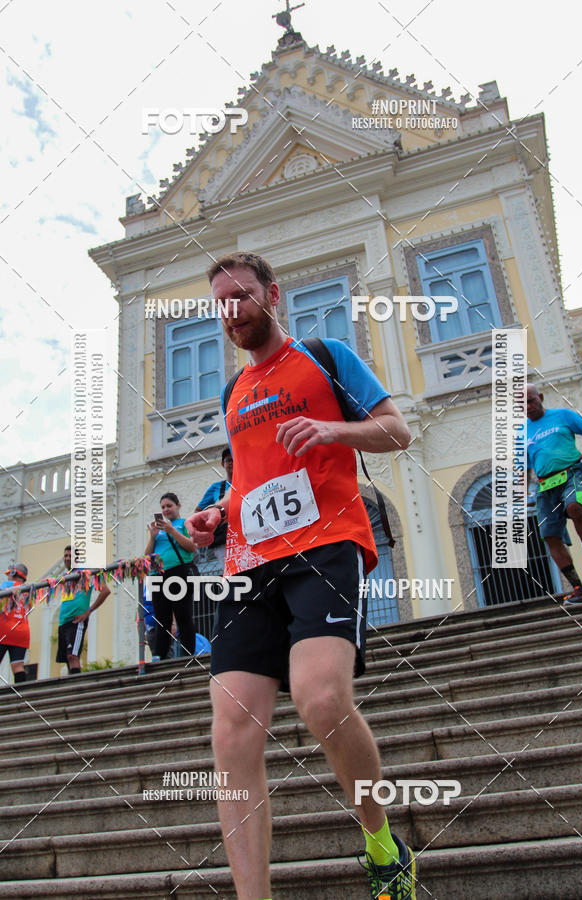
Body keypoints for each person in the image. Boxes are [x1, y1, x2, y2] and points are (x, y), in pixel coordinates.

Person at [185, 251, 414, 900]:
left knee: (320, 699)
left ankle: (380, 841)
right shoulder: (233, 395)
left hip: (327, 546)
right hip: (250, 565)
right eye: (221, 302)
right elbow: (251, 485)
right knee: (230, 733)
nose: (232, 311)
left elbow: (398, 433)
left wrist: (333, 431)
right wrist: (216, 516)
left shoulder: (327, 354)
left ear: (273, 294)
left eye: (242, 295)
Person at [526, 384, 582, 604]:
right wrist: (522, 493)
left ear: (540, 397)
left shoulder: (563, 415)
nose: (528, 406)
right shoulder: (522, 432)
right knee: (550, 536)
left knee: (575, 507)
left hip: (573, 473)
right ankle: (578, 588)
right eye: (522, 404)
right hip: (545, 485)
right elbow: (523, 467)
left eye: (531, 401)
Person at [144, 492, 196, 659]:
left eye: (169, 506)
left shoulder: (184, 524)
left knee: (183, 614)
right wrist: (152, 537)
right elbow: (147, 557)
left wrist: (172, 530)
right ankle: (161, 655)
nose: (166, 510)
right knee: (162, 618)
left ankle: (188, 653)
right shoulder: (158, 531)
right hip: (158, 574)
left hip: (179, 571)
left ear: (178, 505)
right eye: (163, 507)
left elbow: (191, 547)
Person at [58, 546, 111, 674]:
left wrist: (88, 611)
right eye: (66, 555)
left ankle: (77, 688)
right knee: (67, 658)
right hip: (62, 621)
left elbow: (106, 591)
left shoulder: (86, 572)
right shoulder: (65, 576)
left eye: (71, 556)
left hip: (77, 620)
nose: (68, 558)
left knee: (73, 656)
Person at [194, 447, 233, 571]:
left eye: (234, 459)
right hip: (224, 539)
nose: (231, 463)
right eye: (228, 460)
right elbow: (198, 511)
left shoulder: (248, 480)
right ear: (223, 464)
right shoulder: (216, 487)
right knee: (232, 572)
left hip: (248, 534)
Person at [0, 563, 31, 685]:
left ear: (13, 573)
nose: (8, 577)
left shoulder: (7, 585)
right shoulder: (28, 590)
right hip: (22, 631)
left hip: (4, 630)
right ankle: (21, 696)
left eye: (9, 574)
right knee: (18, 666)